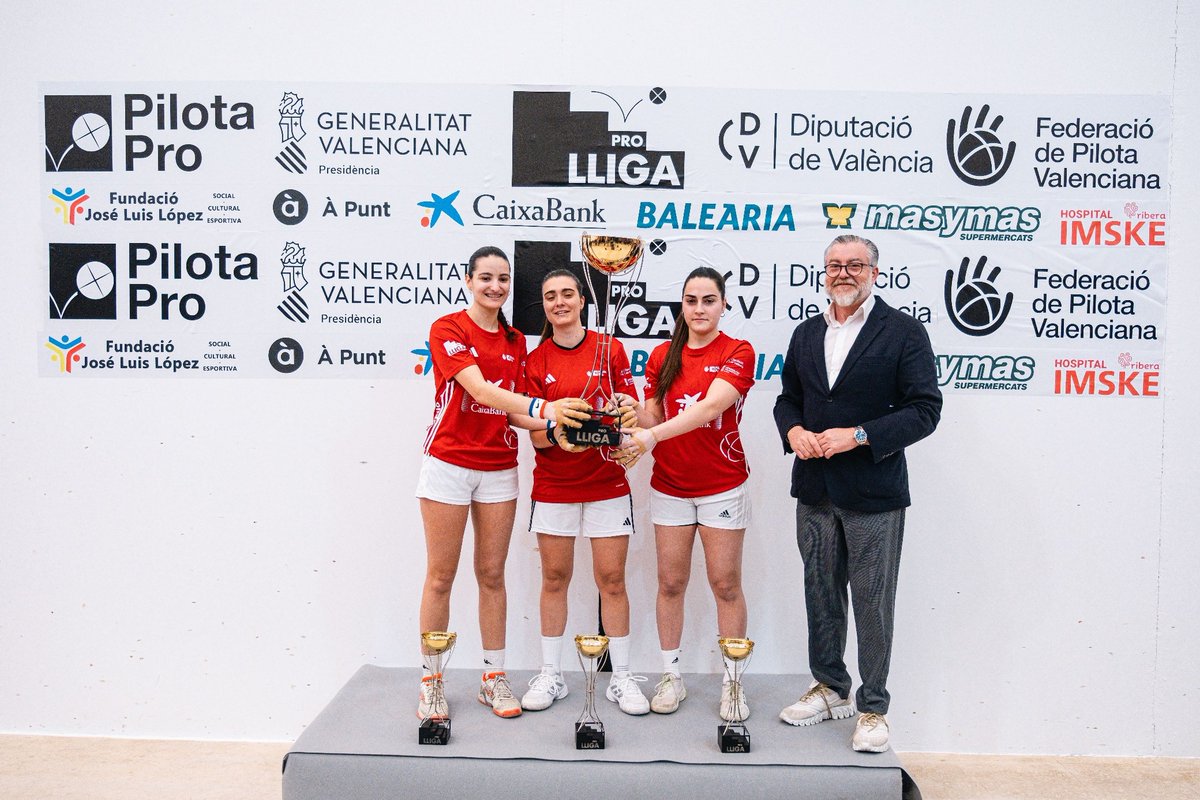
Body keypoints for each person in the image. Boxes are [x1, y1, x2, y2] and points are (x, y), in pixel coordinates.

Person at [772, 234, 941, 753]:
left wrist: (860, 435)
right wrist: (793, 431)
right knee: (820, 594)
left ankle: (872, 707)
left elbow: (925, 410)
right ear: (823, 273)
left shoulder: (904, 333)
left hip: (874, 491)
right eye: (834, 265)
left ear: (874, 271)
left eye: (854, 265)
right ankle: (830, 687)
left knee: (872, 601)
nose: (843, 273)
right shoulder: (805, 334)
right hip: (815, 490)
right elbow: (788, 400)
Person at [416, 246, 590, 720]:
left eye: (503, 279)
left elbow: (511, 410)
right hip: (448, 462)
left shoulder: (516, 341)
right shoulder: (448, 328)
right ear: (469, 281)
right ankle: (431, 681)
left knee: (492, 575)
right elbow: (478, 389)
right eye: (486, 277)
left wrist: (557, 429)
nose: (495, 286)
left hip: (498, 467)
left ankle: (493, 677)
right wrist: (547, 409)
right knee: (441, 575)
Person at [615, 266, 756, 722]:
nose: (699, 309)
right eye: (691, 300)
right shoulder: (661, 356)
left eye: (708, 300)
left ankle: (732, 685)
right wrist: (628, 411)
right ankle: (671, 675)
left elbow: (711, 406)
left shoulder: (737, 351)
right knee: (671, 583)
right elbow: (653, 418)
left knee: (725, 584)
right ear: (682, 306)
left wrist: (650, 438)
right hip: (670, 486)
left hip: (721, 483)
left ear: (723, 304)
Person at [519, 269, 648, 715]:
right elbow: (534, 434)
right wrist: (559, 435)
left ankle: (624, 678)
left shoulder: (611, 348)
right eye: (550, 296)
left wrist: (625, 410)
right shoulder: (535, 361)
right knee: (555, 579)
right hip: (554, 486)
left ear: (580, 300)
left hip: (607, 484)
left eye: (567, 294)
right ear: (545, 305)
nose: (560, 302)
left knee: (611, 581)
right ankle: (551, 674)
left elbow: (632, 409)